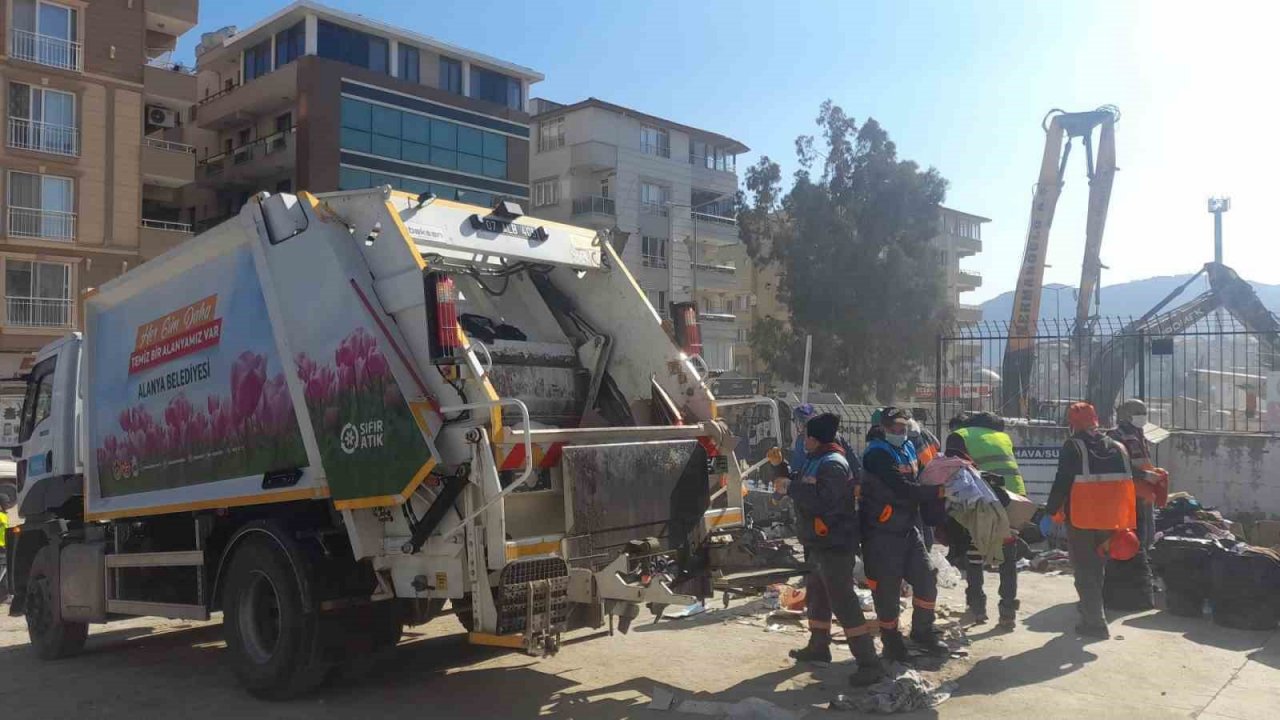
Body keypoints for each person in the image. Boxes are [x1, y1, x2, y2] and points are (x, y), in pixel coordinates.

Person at [770, 413, 884, 686]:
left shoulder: (833, 463)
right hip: (816, 543)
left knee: (843, 602)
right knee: (817, 597)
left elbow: (824, 501)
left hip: (834, 544)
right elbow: (797, 483)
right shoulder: (815, 459)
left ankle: (869, 663)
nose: (801, 439)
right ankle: (818, 647)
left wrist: (792, 488)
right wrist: (780, 468)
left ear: (813, 438)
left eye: (804, 435)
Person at [860, 407, 949, 660]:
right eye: (893, 428)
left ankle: (922, 630)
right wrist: (937, 493)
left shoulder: (907, 447)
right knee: (887, 589)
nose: (898, 432)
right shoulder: (877, 453)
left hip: (908, 527)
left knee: (926, 578)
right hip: (882, 532)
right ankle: (892, 641)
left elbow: (919, 479)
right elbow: (902, 488)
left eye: (902, 427)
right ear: (883, 428)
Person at [1046, 402, 1138, 639]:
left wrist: (1051, 510)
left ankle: (1095, 623)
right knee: (1098, 566)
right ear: (1096, 419)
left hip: (1082, 518)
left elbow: (1062, 480)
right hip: (1111, 520)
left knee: (1084, 569)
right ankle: (1090, 607)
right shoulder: (1117, 447)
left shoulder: (1073, 446)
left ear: (1072, 424)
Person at [945, 413, 1024, 628]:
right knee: (1008, 558)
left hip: (983, 501)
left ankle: (977, 608)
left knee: (975, 554)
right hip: (1014, 499)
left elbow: (952, 473)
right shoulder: (1002, 437)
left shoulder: (959, 435)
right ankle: (1008, 613)